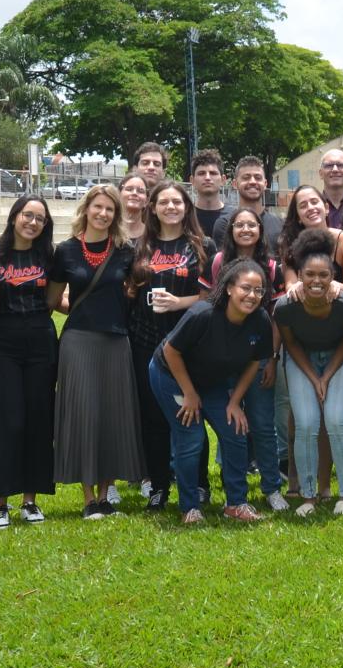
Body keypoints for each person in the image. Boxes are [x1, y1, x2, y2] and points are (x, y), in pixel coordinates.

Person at [46, 184, 145, 518]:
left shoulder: (125, 251)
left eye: (110, 210)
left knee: (112, 416)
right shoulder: (66, 251)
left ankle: (105, 495)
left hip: (116, 341)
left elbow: (133, 290)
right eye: (98, 207)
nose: (103, 214)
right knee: (84, 414)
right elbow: (53, 299)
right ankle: (88, 499)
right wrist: (76, 311)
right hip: (78, 341)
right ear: (86, 209)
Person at [150, 260, 272, 524]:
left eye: (259, 291)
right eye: (246, 288)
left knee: (235, 430)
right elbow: (171, 351)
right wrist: (189, 393)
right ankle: (190, 508)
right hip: (171, 375)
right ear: (229, 288)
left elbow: (255, 362)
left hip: (212, 381)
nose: (252, 296)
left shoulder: (260, 320)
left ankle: (236, 503)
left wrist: (235, 402)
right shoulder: (202, 314)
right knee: (192, 437)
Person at [126, 181, 209, 510]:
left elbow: (209, 298)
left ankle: (199, 484)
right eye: (164, 202)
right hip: (145, 339)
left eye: (177, 202)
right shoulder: (139, 247)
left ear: (187, 207)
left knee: (191, 411)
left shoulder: (201, 245)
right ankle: (159, 485)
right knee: (153, 417)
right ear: (153, 207)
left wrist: (178, 303)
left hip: (188, 341)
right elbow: (129, 290)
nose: (171, 207)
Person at [277, 229, 343, 516]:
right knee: (307, 423)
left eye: (323, 275)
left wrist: (326, 376)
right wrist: (314, 377)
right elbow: (289, 344)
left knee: (337, 420)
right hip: (303, 359)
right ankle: (309, 496)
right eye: (309, 274)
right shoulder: (286, 307)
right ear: (299, 274)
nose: (316, 281)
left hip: (342, 356)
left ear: (332, 275)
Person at [0, 196, 58, 527]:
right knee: (8, 422)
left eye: (39, 218)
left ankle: (30, 500)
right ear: (14, 217)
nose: (32, 222)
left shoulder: (48, 256)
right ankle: (0, 501)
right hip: (3, 344)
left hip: (41, 340)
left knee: (38, 420)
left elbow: (56, 299)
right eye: (27, 215)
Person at [210, 208, 287, 510]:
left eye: (251, 225)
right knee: (231, 425)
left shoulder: (271, 266)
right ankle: (235, 488)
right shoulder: (219, 262)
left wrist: (272, 357)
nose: (245, 229)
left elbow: (277, 316)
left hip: (258, 356)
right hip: (223, 357)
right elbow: (209, 307)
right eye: (238, 224)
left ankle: (271, 487)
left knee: (263, 424)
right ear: (230, 230)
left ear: (260, 230)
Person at [213, 156, 284, 244]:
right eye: (246, 178)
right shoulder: (224, 224)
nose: (252, 182)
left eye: (258, 178)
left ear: (265, 184)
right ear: (235, 184)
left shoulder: (280, 225)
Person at [188, 148, 227, 226]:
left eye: (213, 173)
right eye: (201, 173)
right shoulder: (183, 217)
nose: (207, 178)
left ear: (223, 180)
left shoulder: (235, 218)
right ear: (192, 180)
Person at [317, 149, 343, 228]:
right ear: (321, 173)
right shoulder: (313, 208)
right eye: (329, 165)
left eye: (341, 165)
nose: (335, 169)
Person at [118, 172, 150, 244]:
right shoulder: (107, 231)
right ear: (119, 195)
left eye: (140, 191)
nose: (134, 193)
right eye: (129, 189)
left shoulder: (153, 235)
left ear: (146, 201)